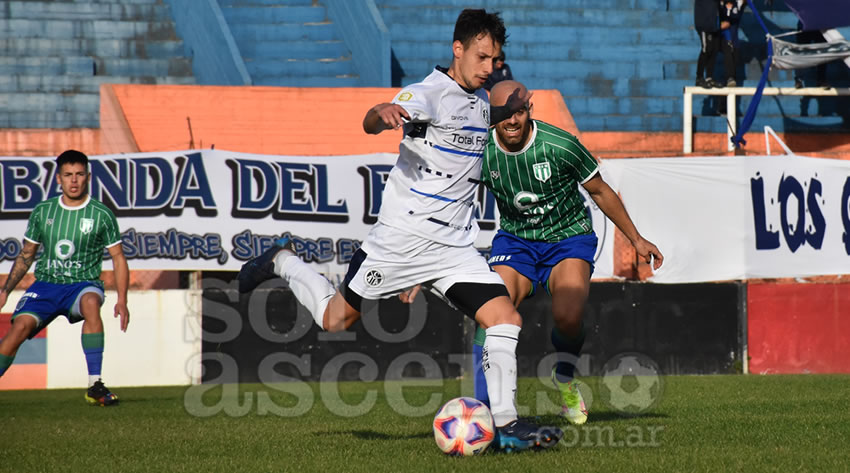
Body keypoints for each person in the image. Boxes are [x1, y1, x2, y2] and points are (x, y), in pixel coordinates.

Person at [237, 9, 562, 452]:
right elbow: (373, 120)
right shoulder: (427, 94)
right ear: (458, 49)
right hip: (399, 243)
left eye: (496, 60)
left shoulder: (483, 102)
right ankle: (281, 259)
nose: (491, 68)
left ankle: (506, 425)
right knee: (336, 319)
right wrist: (383, 112)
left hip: (452, 250)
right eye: (483, 58)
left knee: (505, 318)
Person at [471, 80, 664, 425]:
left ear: (529, 109)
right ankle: (483, 409)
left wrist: (636, 239)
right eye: (503, 114)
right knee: (490, 311)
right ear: (491, 115)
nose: (512, 121)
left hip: (569, 238)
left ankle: (564, 378)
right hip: (516, 242)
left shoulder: (560, 145)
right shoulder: (480, 152)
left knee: (568, 316)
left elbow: (601, 191)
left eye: (518, 112)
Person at [0, 150, 130, 406]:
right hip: (46, 286)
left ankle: (95, 385)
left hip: (83, 284)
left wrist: (122, 299)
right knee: (19, 329)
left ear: (88, 177)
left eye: (79, 174)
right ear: (58, 178)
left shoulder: (101, 214)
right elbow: (27, 254)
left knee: (91, 303)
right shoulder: (43, 211)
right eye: (68, 175)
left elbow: (118, 257)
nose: (74, 181)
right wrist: (5, 289)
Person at [695, 0, 722, 88]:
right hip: (704, 24)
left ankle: (709, 77)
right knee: (706, 49)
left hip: (713, 24)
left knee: (714, 50)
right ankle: (699, 77)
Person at [795, 22, 830, 89]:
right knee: (801, 53)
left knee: (823, 52)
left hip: (821, 26)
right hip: (805, 24)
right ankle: (799, 79)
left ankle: (821, 80)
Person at [719, 0, 746, 87]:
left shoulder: (737, 5)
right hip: (723, 39)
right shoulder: (720, 5)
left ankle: (730, 81)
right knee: (727, 52)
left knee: (734, 65)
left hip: (734, 41)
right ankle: (729, 78)